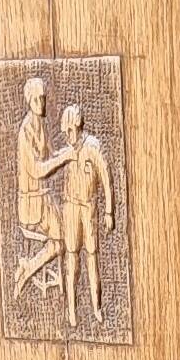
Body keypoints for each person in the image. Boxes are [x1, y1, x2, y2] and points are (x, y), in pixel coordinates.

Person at [56, 101, 115, 327]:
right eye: (65, 132)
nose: (68, 136)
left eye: (71, 130)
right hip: (70, 207)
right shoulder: (67, 151)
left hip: (88, 208)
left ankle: (96, 308)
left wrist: (109, 210)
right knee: (71, 258)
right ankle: (71, 310)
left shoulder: (92, 146)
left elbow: (106, 178)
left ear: (78, 126)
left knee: (92, 257)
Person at [13, 77, 71, 297]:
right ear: (29, 101)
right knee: (60, 243)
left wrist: (68, 153)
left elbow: (52, 154)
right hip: (32, 203)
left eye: (43, 98)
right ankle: (28, 270)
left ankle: (28, 266)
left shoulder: (41, 125)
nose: (41, 103)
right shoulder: (25, 131)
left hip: (44, 198)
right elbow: (37, 170)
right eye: (36, 99)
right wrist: (62, 160)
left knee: (68, 235)